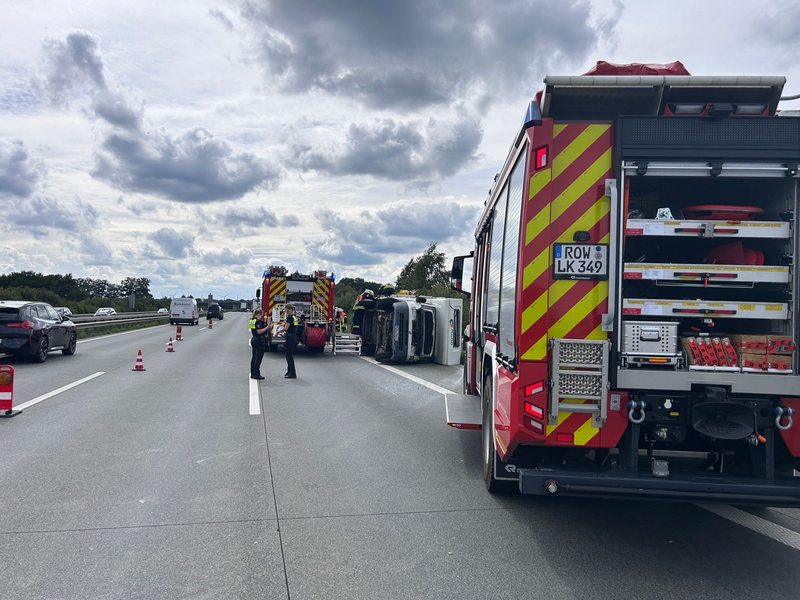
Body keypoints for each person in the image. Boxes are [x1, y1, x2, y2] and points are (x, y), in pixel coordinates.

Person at [277, 304, 298, 378]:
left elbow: (286, 328)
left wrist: (279, 332)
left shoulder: (289, 318)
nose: (285, 311)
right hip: (293, 337)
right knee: (289, 355)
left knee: (289, 356)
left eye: (285, 309)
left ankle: (292, 373)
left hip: (290, 338)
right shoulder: (294, 317)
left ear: (289, 309)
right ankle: (289, 371)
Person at [249, 308, 269, 379]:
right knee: (258, 358)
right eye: (261, 315)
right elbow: (259, 331)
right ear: (259, 314)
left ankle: (253, 373)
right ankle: (256, 374)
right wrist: (267, 327)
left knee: (254, 357)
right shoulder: (258, 321)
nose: (262, 316)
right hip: (259, 340)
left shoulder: (252, 320)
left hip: (254, 339)